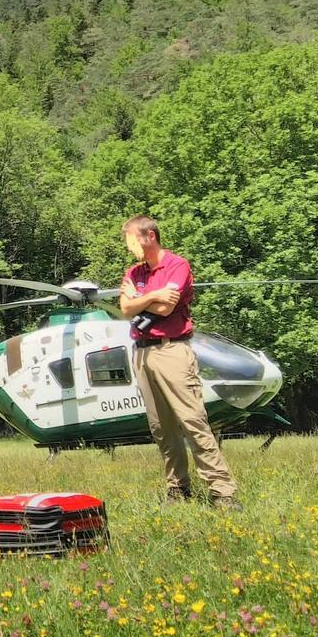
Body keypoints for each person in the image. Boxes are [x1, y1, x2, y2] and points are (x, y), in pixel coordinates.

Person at [120, 215, 241, 510]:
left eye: (132, 239)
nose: (129, 246)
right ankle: (178, 489)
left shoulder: (177, 265)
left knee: (192, 421)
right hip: (142, 353)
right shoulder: (134, 272)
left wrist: (145, 299)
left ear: (150, 236)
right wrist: (153, 296)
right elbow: (125, 308)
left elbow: (166, 306)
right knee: (161, 427)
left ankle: (222, 491)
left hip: (172, 350)